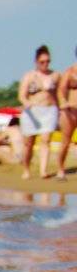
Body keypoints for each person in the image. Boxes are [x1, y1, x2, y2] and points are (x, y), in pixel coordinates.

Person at [19, 45, 60, 180]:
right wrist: (27, 103)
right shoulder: (29, 76)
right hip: (32, 111)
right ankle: (26, 169)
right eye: (42, 62)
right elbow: (21, 95)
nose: (45, 64)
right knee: (29, 143)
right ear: (36, 61)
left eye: (48, 61)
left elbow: (59, 93)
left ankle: (43, 170)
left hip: (49, 110)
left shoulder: (55, 75)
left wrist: (60, 109)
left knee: (46, 140)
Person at [56, 46, 77, 181]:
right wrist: (63, 102)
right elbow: (61, 90)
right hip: (70, 112)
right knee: (65, 141)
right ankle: (60, 169)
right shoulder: (70, 72)